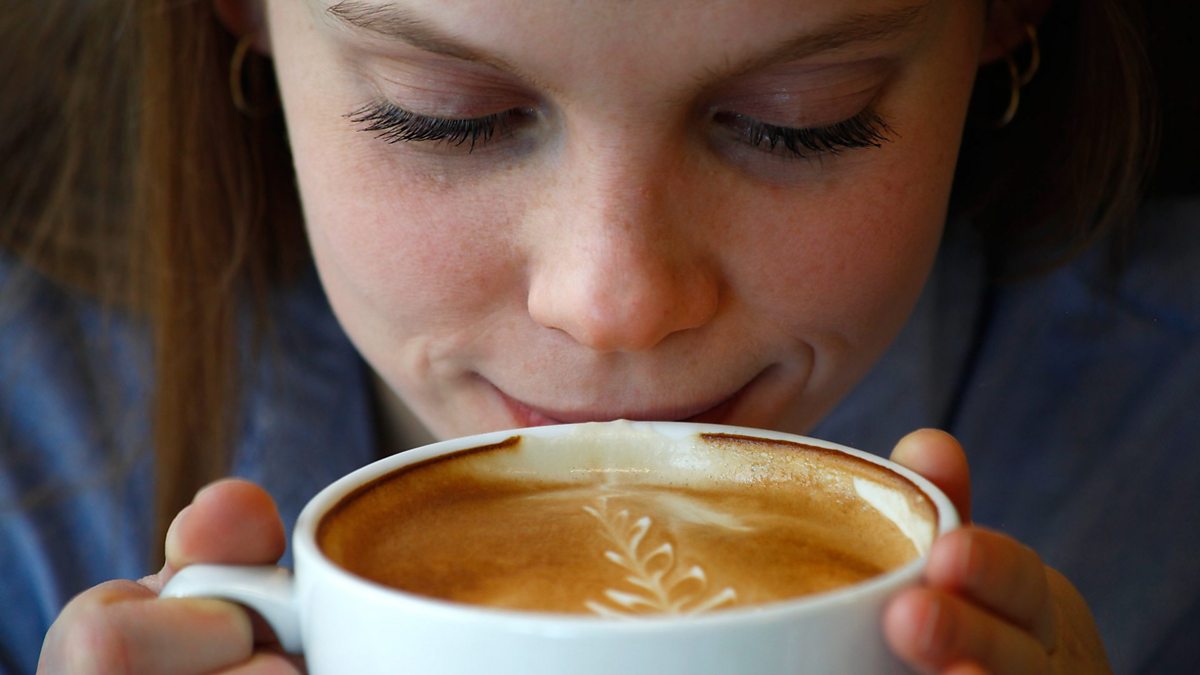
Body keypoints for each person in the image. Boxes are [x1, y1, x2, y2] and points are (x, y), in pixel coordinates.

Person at [2, 0, 1195, 672]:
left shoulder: (1170, 450)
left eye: (796, 122)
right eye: (448, 117)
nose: (613, 302)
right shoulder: (28, 477)